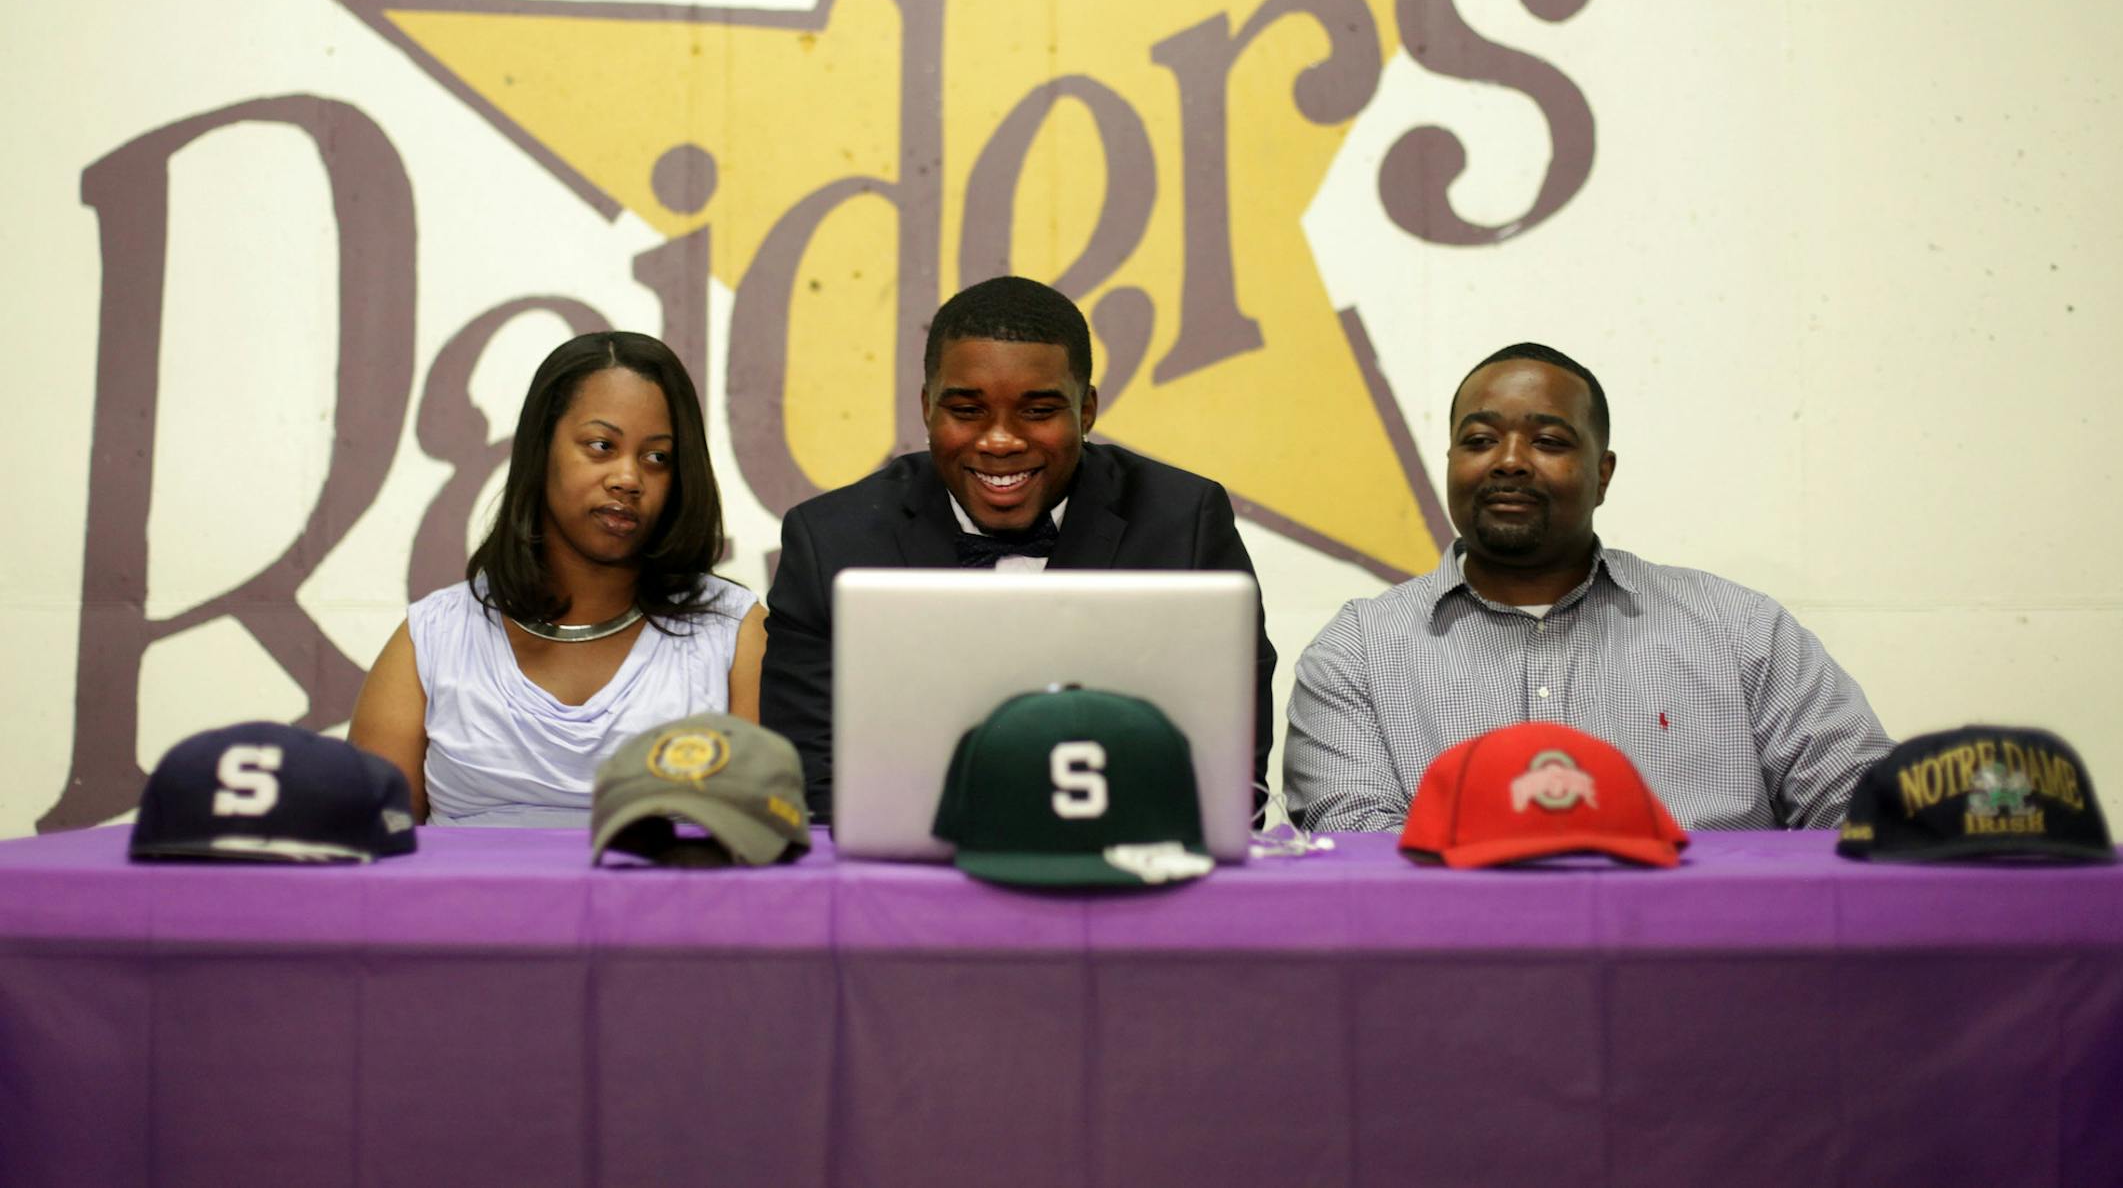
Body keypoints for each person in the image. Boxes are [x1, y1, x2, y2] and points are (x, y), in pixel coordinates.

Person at [1285, 342, 1892, 832]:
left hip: (1704, 961)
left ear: (1603, 474)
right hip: (1460, 966)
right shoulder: (1357, 651)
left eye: (1548, 442)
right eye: (1479, 441)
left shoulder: (1739, 628)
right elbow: (1354, 844)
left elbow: (1861, 808)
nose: (1510, 461)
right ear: (1449, 462)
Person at [761, 275, 1278, 821]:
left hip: (1125, 876)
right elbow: (810, 783)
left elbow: (1230, 777)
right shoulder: (832, 540)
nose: (1000, 440)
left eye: (1037, 411)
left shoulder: (1184, 523)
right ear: (927, 408)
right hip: (914, 883)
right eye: (966, 410)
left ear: (1086, 411)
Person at [351, 332, 764, 826]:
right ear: (541, 448)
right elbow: (366, 857)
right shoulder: (433, 637)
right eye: (601, 446)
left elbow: (760, 854)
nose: (628, 478)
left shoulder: (732, 633)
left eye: (657, 458)